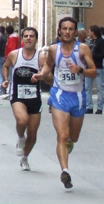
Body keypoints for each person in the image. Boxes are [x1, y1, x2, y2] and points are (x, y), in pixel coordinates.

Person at [32, 16, 98, 189]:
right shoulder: (54, 49)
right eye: (64, 29)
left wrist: (81, 69)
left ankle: (67, 148)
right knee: (62, 135)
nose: (67, 32)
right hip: (59, 95)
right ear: (59, 31)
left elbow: (94, 72)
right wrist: (41, 74)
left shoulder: (82, 49)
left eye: (70, 29)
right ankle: (65, 171)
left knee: (72, 138)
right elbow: (48, 65)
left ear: (75, 32)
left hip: (78, 97)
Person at [1, 27, 45, 171]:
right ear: (22, 39)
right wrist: (6, 79)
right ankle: (20, 137)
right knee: (22, 120)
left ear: (36, 39)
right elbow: (5, 66)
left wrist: (41, 76)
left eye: (31, 36)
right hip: (18, 95)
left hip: (35, 97)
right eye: (25, 36)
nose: (28, 39)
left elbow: (49, 78)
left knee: (32, 134)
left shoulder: (41, 57)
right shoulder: (14, 55)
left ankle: (25, 158)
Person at [86, 25, 104, 114]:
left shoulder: (101, 42)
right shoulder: (90, 42)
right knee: (87, 88)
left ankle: (99, 107)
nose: (89, 33)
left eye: (90, 31)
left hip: (98, 67)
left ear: (93, 32)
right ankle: (89, 106)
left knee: (99, 88)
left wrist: (93, 55)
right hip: (89, 68)